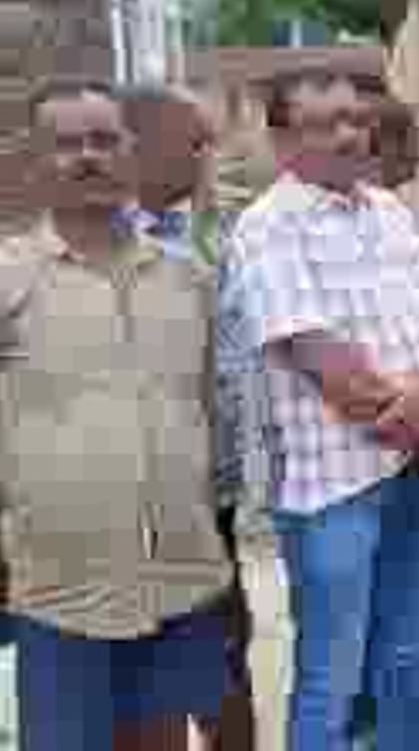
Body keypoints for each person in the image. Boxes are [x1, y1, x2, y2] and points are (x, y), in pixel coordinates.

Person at [223, 66, 419, 751]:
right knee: (332, 673)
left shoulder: (387, 210)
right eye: (325, 123)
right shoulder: (267, 228)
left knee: (414, 655)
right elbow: (320, 358)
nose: (349, 135)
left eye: (356, 120)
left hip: (416, 473)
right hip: (333, 489)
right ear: (282, 141)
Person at [0, 79, 233, 751]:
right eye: (66, 144)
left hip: (179, 578)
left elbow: (205, 411)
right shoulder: (5, 282)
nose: (88, 157)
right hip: (64, 588)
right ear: (33, 160)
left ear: (130, 151)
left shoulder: (188, 279)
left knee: (162, 740)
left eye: (103, 140)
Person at [119, 83, 260, 751]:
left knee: (226, 657)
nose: (210, 158)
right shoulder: (101, 247)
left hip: (212, 499)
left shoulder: (205, 238)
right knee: (149, 680)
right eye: (195, 143)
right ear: (139, 146)